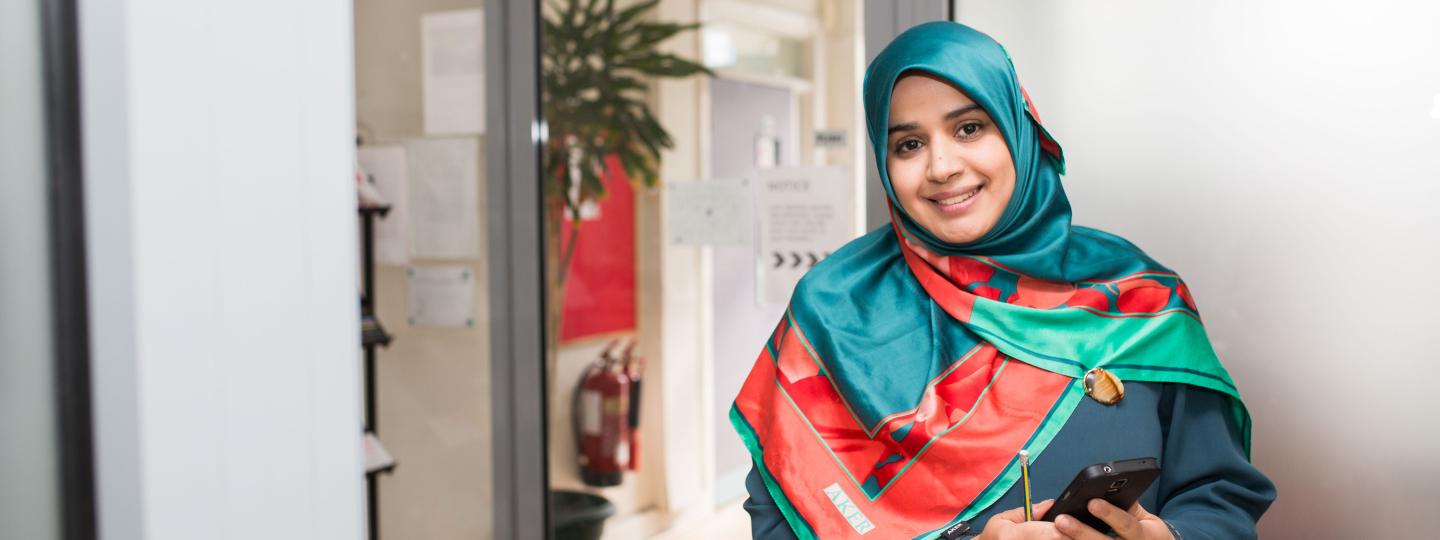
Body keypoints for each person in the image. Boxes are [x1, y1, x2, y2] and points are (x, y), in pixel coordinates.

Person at [730, 21, 1275, 539]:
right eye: (908, 144)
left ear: (1019, 128)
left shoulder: (1136, 297)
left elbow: (1219, 493)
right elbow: (784, 515)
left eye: (970, 128)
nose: (941, 166)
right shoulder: (836, 307)